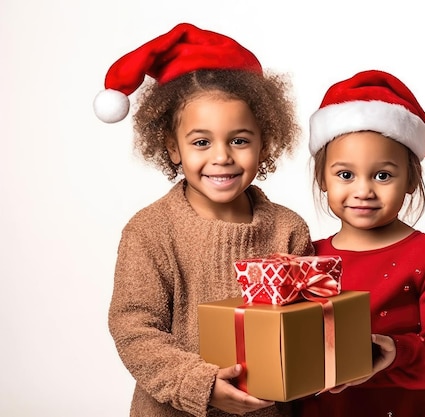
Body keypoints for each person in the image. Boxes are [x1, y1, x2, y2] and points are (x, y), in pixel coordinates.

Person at [94, 23, 313, 417]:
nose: (222, 156)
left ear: (264, 142)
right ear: (171, 147)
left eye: (240, 140)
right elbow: (134, 329)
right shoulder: (151, 231)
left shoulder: (288, 229)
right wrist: (201, 384)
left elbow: (306, 324)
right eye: (201, 142)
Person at [295, 70, 425, 417]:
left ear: (410, 179)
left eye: (383, 175)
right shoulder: (307, 255)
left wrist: (398, 352)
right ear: (323, 178)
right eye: (345, 174)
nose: (363, 191)